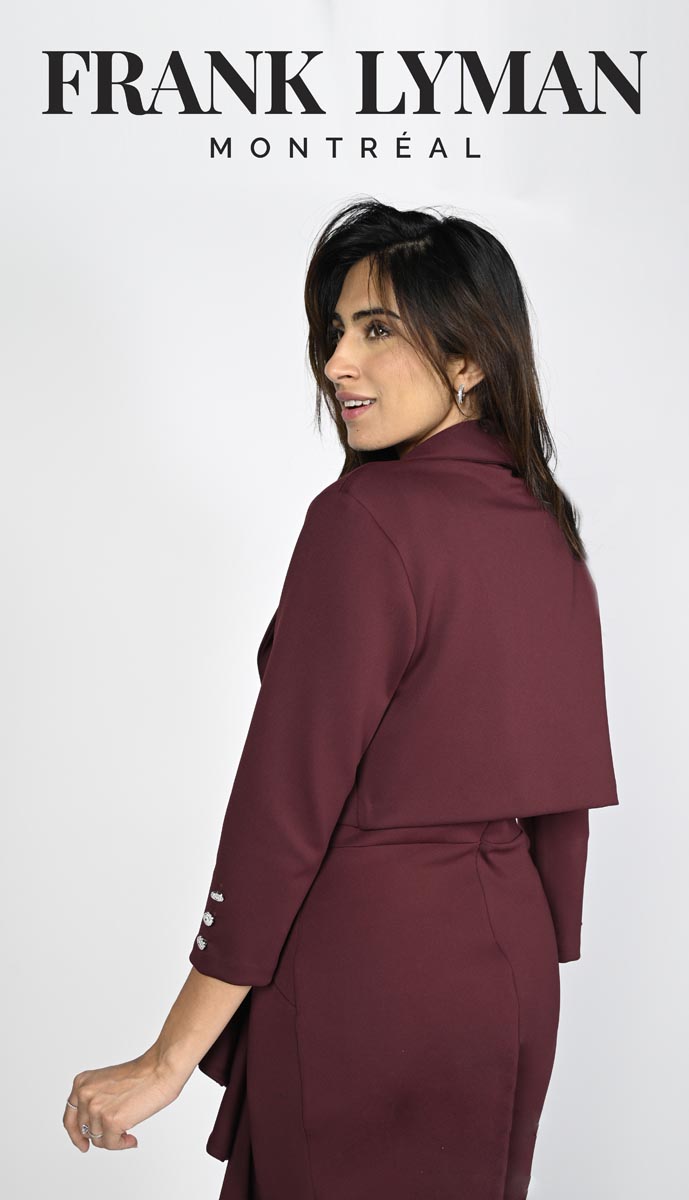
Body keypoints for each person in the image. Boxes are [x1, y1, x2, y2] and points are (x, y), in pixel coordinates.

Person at [63, 198, 619, 1199]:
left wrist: (168, 1058)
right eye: (333, 331)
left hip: (364, 972)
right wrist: (534, 947)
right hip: (508, 980)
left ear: (468, 358)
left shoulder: (363, 519)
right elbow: (557, 801)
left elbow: (283, 813)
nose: (335, 363)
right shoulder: (545, 523)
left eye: (375, 331)